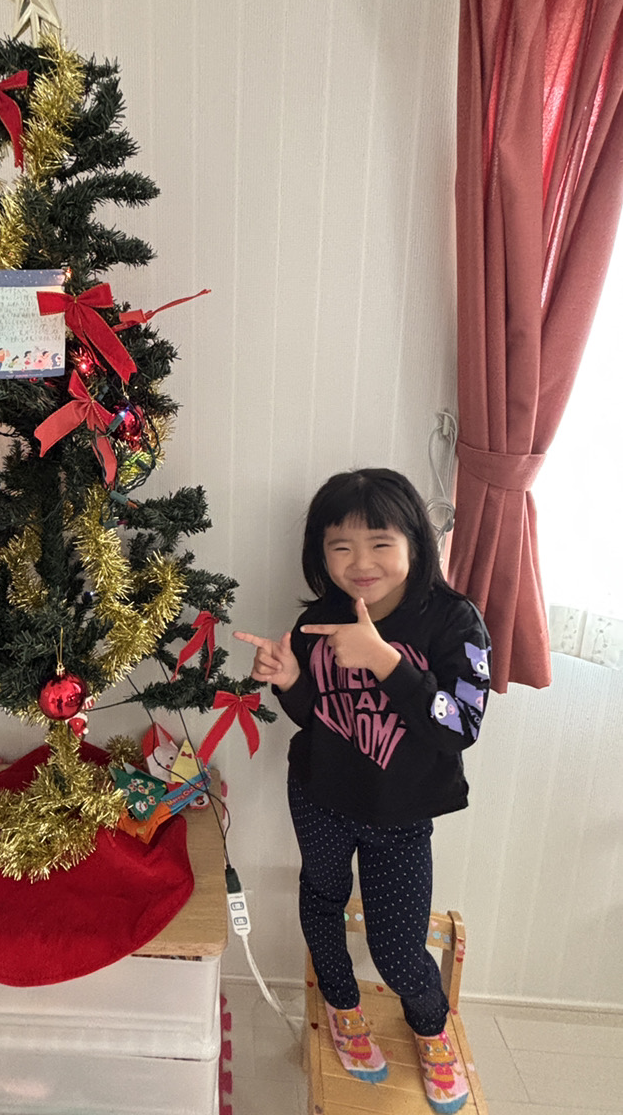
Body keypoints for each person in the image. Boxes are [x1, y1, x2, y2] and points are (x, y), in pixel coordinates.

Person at [235, 468, 489, 1115]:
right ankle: (342, 1009)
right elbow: (318, 718)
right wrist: (290, 680)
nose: (361, 563)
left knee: (398, 950)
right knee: (322, 900)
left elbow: (460, 726)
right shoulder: (319, 620)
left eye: (380, 542)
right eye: (340, 546)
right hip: (319, 795)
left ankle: (430, 1028)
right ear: (320, 554)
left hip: (402, 814)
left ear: (415, 542)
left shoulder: (454, 621)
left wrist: (384, 660)